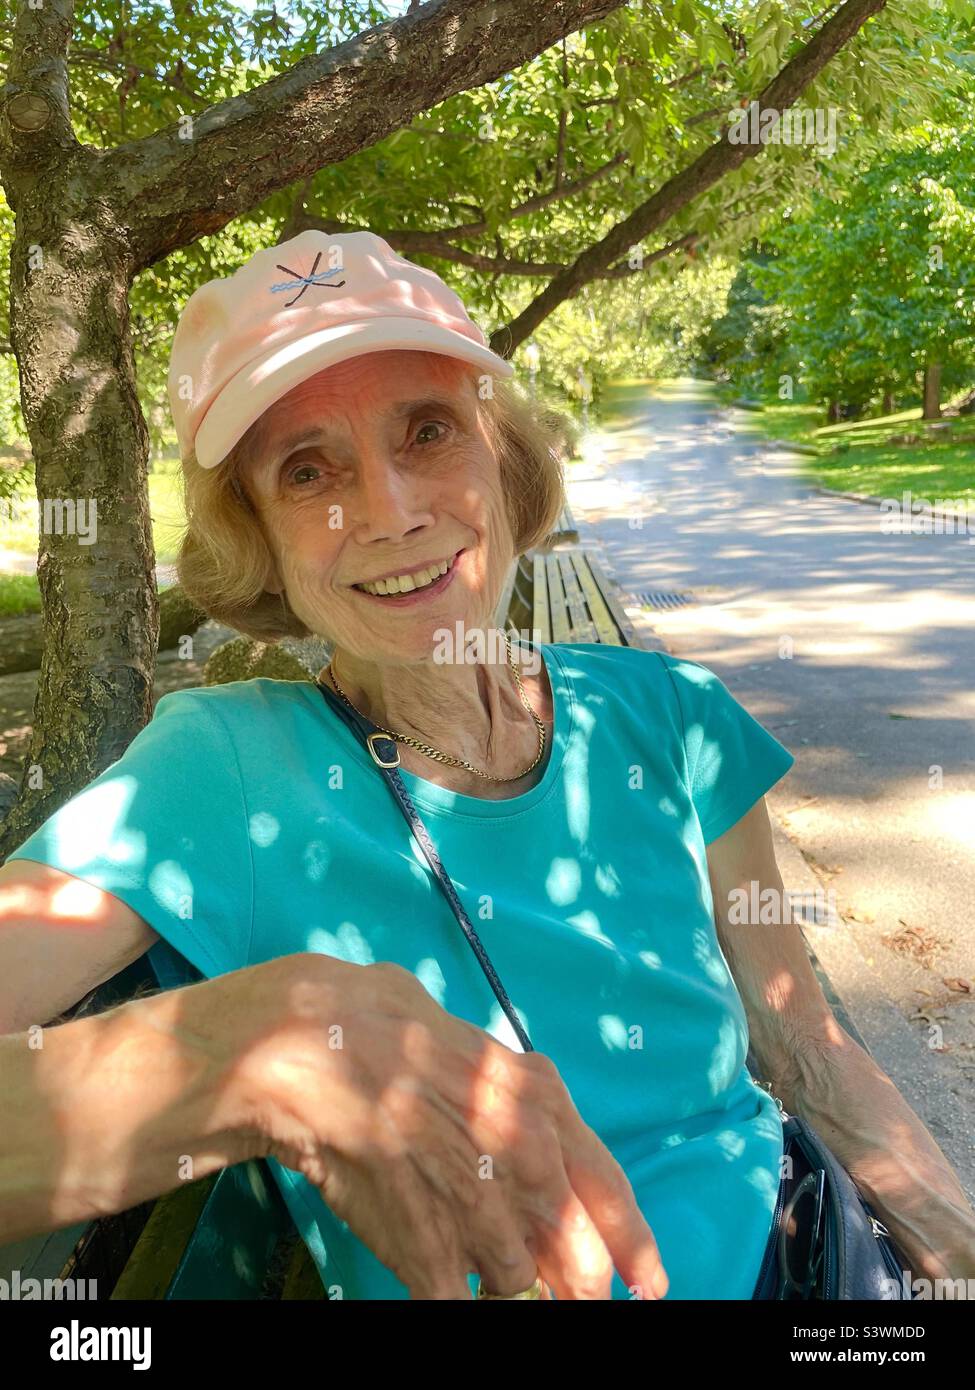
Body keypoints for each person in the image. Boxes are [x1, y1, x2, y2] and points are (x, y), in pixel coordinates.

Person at [2, 230, 973, 1301]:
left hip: (800, 1266)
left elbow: (802, 1041)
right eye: (308, 469)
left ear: (503, 464)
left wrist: (957, 1246)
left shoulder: (671, 716)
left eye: (428, 431)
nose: (389, 511)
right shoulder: (219, 770)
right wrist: (241, 1051)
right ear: (260, 539)